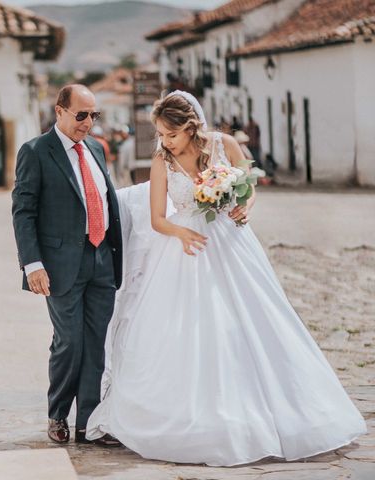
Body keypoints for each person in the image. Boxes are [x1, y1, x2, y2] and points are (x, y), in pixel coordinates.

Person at [85, 90, 367, 466]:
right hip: (186, 249)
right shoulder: (161, 162)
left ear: (189, 127)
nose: (164, 142)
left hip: (231, 243)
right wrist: (181, 233)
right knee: (191, 328)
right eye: (161, 136)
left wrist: (244, 209)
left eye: (170, 135)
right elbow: (157, 219)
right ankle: (193, 416)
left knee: (254, 320)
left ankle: (281, 410)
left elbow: (249, 186)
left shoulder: (224, 144)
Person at [11, 84, 123, 447]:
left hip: (101, 259)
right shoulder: (35, 152)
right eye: (81, 115)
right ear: (59, 111)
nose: (88, 123)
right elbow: (23, 211)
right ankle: (58, 414)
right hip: (60, 265)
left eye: (94, 115)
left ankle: (88, 422)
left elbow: (106, 198)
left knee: (95, 343)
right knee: (68, 342)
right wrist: (33, 264)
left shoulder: (95, 149)